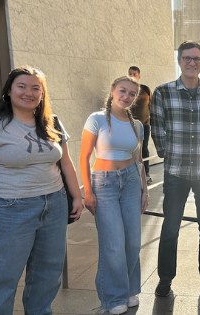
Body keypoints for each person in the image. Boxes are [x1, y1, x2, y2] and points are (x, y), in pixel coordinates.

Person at [0, 66, 83, 315]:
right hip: (9, 209)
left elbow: (66, 163)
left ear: (42, 94)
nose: (28, 93)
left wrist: (76, 196)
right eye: (21, 86)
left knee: (47, 274)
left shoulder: (52, 123)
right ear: (9, 91)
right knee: (2, 277)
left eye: (35, 88)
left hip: (54, 204)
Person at [151, 40, 200, 297]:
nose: (192, 63)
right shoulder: (162, 92)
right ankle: (165, 279)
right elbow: (158, 130)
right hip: (176, 172)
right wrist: (169, 155)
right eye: (186, 58)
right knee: (170, 228)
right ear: (180, 61)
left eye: (196, 58)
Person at [80, 76, 148, 315]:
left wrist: (144, 190)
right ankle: (113, 298)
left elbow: (139, 160)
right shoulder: (96, 119)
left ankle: (129, 290)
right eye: (122, 91)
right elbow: (84, 157)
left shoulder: (136, 124)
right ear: (112, 91)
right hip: (104, 183)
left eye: (131, 93)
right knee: (113, 243)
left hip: (130, 182)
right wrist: (87, 191)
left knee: (132, 241)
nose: (126, 97)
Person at [128, 66, 153, 183]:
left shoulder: (145, 90)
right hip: (129, 124)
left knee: (144, 149)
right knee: (131, 149)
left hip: (144, 125)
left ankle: (146, 173)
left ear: (139, 76)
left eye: (134, 74)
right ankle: (133, 174)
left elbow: (151, 106)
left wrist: (149, 121)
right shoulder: (126, 89)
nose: (132, 76)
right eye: (130, 74)